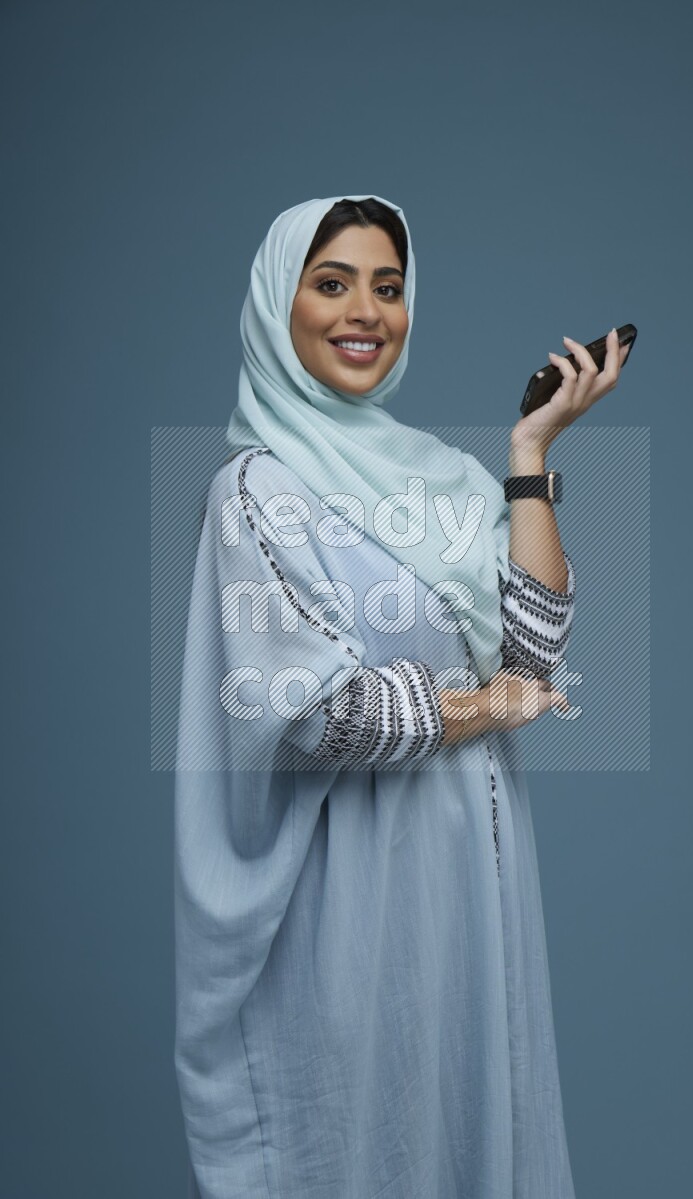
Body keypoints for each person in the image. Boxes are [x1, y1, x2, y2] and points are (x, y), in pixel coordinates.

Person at [173, 193, 630, 1199]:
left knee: (475, 1131)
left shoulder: (446, 477)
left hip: (473, 884)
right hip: (349, 900)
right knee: (364, 1142)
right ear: (276, 303)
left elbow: (532, 651)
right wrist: (480, 707)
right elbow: (317, 710)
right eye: (330, 282)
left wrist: (527, 457)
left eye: (388, 287)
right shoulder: (256, 491)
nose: (364, 311)